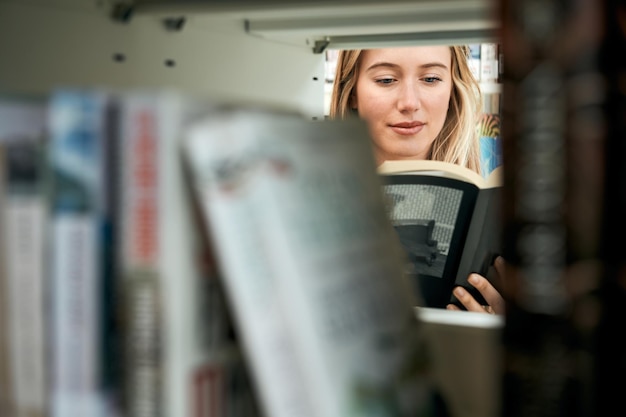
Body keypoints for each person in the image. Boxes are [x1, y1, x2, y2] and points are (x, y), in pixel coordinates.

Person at [329, 45, 505, 315]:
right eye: (386, 80)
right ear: (352, 92)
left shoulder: (495, 211)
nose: (409, 102)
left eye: (431, 79)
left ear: (451, 91)